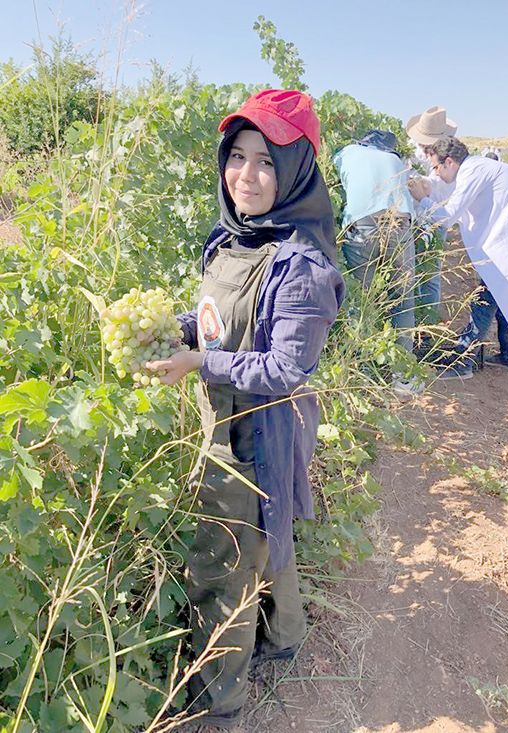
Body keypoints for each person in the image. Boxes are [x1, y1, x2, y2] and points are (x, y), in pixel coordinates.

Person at [146, 88, 345, 730]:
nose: (246, 176)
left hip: (259, 432)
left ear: (295, 172)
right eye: (237, 156)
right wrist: (172, 330)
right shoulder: (229, 239)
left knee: (224, 555)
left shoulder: (304, 267)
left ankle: (220, 700)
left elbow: (285, 368)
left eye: (267, 160)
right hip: (224, 418)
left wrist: (200, 364)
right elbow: (216, 323)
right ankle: (285, 635)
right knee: (266, 536)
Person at [408, 137, 508, 380]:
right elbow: (451, 195)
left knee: (485, 298)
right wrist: (431, 189)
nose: (436, 173)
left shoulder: (473, 172)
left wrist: (422, 199)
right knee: (506, 293)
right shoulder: (476, 169)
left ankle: (462, 362)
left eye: (436, 167)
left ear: (449, 162)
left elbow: (447, 216)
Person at [334, 129, 420, 397]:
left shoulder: (345, 153)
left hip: (363, 226)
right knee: (402, 299)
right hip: (400, 224)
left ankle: (363, 374)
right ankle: (403, 378)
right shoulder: (395, 161)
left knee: (363, 301)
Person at [406, 106, 458, 326]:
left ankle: (426, 324)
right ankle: (423, 318)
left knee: (430, 274)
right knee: (419, 271)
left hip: (436, 218)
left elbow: (440, 187)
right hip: (422, 216)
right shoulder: (423, 152)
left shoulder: (449, 157)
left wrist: (422, 186)